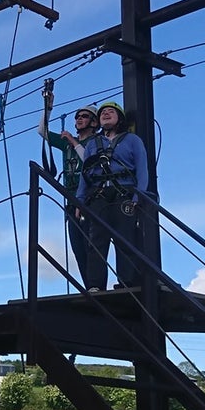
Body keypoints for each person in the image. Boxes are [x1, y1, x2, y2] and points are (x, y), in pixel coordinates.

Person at [75, 100, 150, 292]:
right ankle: (95, 284)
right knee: (96, 240)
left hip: (123, 192)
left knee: (125, 238)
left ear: (120, 118)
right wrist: (80, 201)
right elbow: (85, 175)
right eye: (102, 113)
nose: (106, 114)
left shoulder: (132, 141)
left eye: (111, 112)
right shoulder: (93, 144)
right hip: (99, 194)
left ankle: (127, 282)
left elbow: (142, 170)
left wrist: (138, 197)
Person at [38, 84, 98, 285]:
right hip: (71, 200)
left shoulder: (97, 142)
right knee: (77, 246)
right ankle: (89, 286)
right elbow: (42, 131)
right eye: (78, 116)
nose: (79, 119)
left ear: (94, 122)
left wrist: (73, 141)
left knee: (93, 245)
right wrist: (48, 108)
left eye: (84, 116)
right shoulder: (66, 143)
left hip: (92, 199)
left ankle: (96, 284)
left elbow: (89, 161)